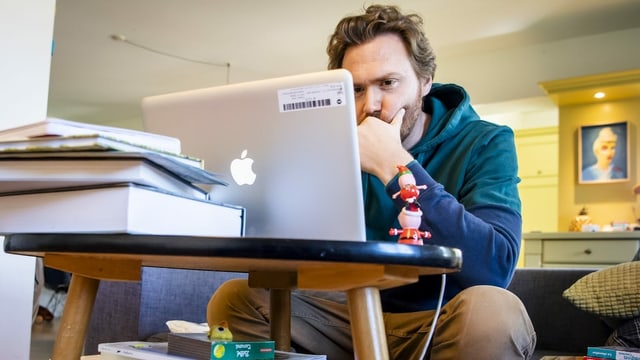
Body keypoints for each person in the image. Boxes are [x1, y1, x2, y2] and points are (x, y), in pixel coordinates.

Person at [207, 4, 536, 359]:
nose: (371, 105)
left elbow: (496, 266)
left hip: (444, 321)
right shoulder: (328, 143)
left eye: (388, 83)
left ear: (425, 81)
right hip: (348, 315)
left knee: (493, 311)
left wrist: (395, 166)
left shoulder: (485, 141)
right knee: (236, 298)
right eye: (357, 90)